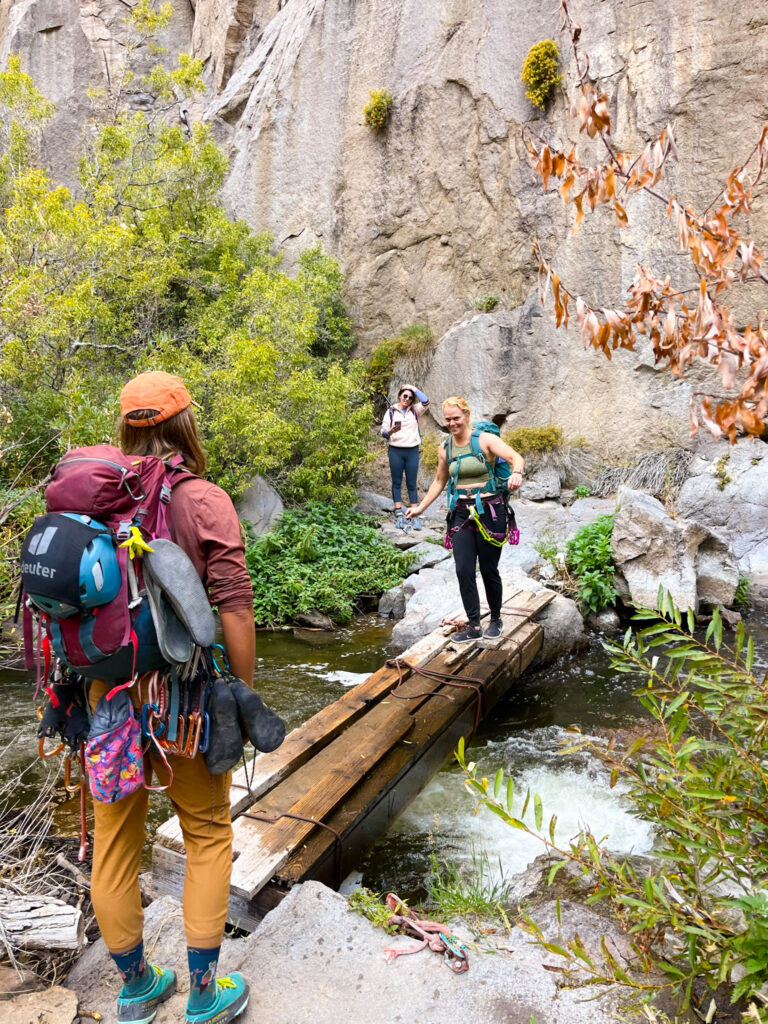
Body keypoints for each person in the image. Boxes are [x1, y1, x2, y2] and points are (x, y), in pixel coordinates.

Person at [91, 371, 255, 1024]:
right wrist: (241, 695)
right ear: (184, 425)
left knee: (114, 838)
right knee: (208, 833)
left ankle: (136, 987)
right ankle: (205, 995)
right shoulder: (204, 500)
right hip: (184, 700)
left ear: (127, 429)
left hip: (108, 699)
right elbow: (235, 609)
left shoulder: (93, 501)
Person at [406, 396, 524, 642]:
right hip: (461, 513)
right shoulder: (445, 448)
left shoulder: (486, 441)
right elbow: (440, 481)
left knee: (489, 569)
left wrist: (517, 474)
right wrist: (420, 508)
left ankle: (495, 619)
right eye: (448, 419)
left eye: (456, 418)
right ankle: (474, 626)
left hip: (490, 511)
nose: (451, 423)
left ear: (467, 416)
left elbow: (516, 458)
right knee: (463, 570)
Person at [380, 383, 430, 530]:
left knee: (411, 483)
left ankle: (414, 514)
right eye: (405, 396)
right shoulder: (391, 411)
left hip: (412, 450)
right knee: (396, 482)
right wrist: (390, 432)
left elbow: (426, 401)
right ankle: (399, 513)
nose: (407, 399)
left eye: (410, 397)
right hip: (395, 450)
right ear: (399, 396)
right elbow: (383, 432)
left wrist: (412, 388)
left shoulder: (415, 410)